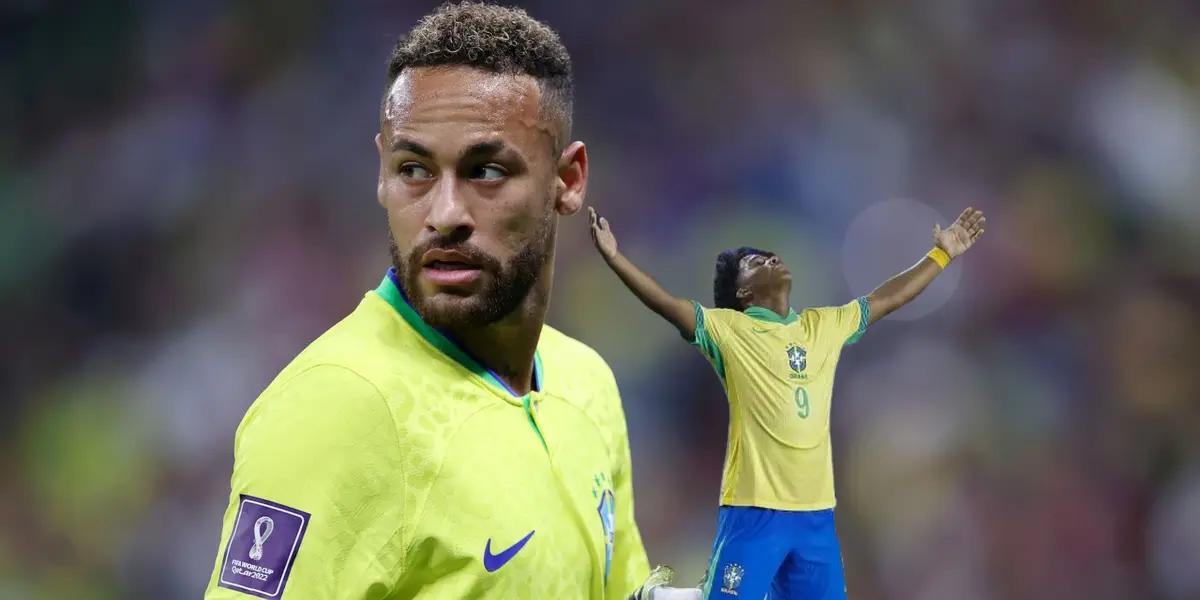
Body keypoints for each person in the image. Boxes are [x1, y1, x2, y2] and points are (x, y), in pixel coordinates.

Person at [205, 4, 653, 598]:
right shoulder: (337, 408)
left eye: (486, 171)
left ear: (567, 181)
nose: (444, 215)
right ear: (382, 174)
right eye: (414, 169)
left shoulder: (586, 383)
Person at [591, 206, 986, 599]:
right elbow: (668, 305)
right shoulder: (730, 330)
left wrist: (941, 254)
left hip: (815, 514)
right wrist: (615, 258)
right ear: (743, 292)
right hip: (755, 509)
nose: (770, 259)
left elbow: (888, 299)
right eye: (754, 262)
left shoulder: (823, 326)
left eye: (769, 255)